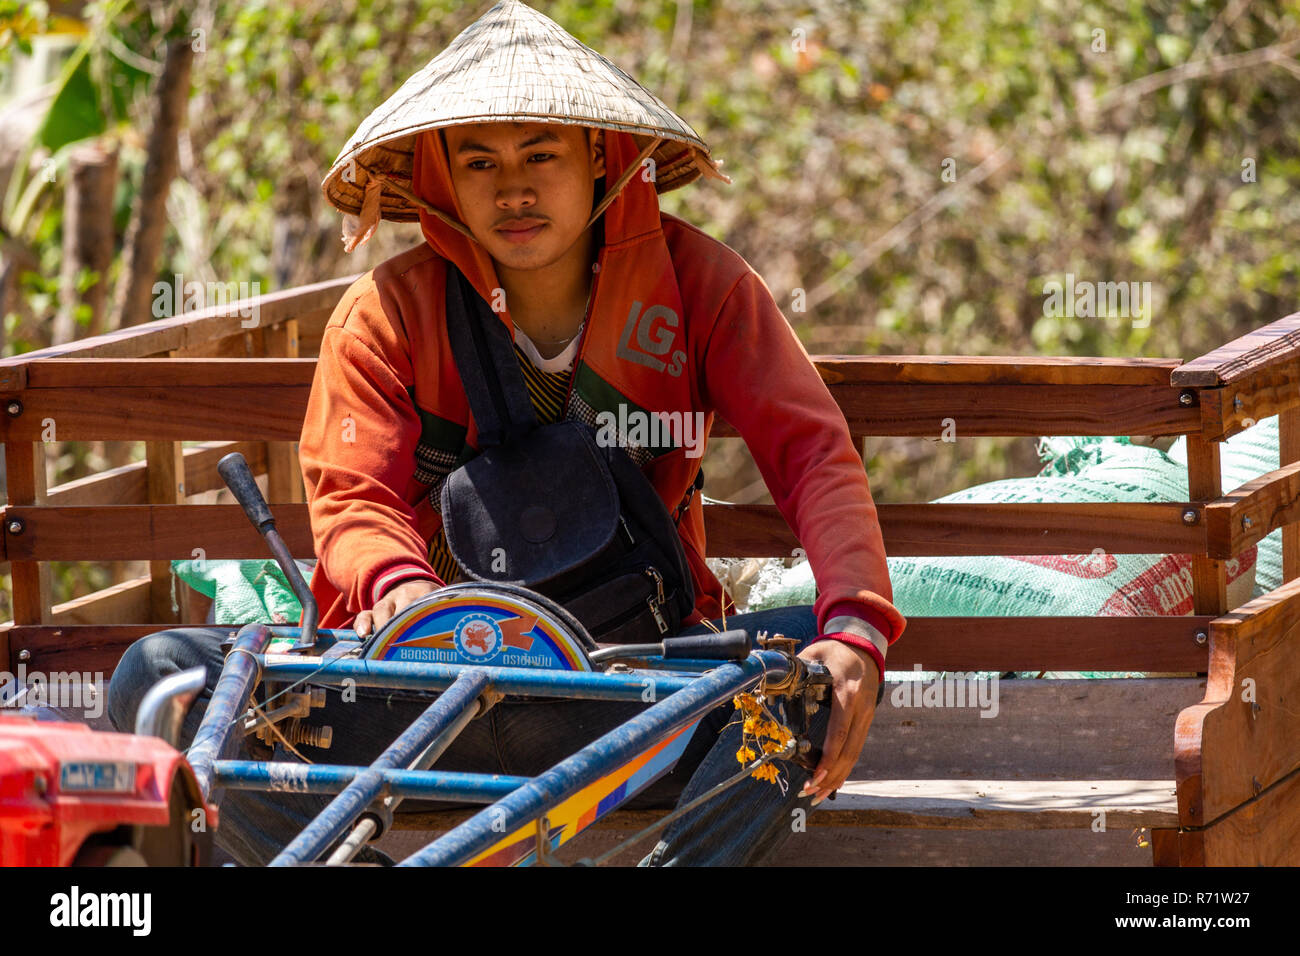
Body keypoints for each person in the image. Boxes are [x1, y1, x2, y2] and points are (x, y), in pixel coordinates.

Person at [108, 0, 905, 866]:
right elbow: (353, 498)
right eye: (479, 161)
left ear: (600, 158)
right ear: (442, 178)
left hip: (636, 690)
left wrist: (855, 627)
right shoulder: (382, 315)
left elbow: (813, 454)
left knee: (807, 678)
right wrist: (403, 592)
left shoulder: (702, 284)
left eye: (541, 155)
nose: (513, 188)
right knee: (158, 677)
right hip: (413, 693)